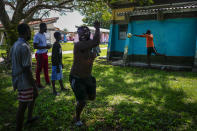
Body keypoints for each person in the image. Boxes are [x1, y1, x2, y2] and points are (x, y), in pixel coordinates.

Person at [69, 21, 100, 126]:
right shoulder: (78, 45)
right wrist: (97, 28)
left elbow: (94, 45)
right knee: (82, 101)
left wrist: (92, 55)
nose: (82, 35)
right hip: (77, 78)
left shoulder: (89, 47)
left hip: (87, 77)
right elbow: (95, 41)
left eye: (85, 33)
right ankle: (77, 117)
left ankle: (80, 100)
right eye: (81, 33)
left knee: (91, 97)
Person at [10, 23, 39, 131]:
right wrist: (34, 85)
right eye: (29, 30)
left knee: (33, 97)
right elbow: (26, 69)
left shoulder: (15, 44)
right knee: (22, 106)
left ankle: (30, 117)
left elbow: (12, 61)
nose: (30, 33)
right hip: (24, 80)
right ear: (26, 32)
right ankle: (19, 128)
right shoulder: (24, 47)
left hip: (18, 78)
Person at [33, 23, 51, 89]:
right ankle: (38, 84)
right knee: (39, 70)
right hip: (40, 55)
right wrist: (45, 46)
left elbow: (43, 44)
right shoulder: (37, 36)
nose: (46, 28)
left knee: (46, 69)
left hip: (44, 53)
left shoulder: (43, 35)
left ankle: (47, 81)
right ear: (41, 27)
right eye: (45, 27)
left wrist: (46, 48)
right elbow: (35, 46)